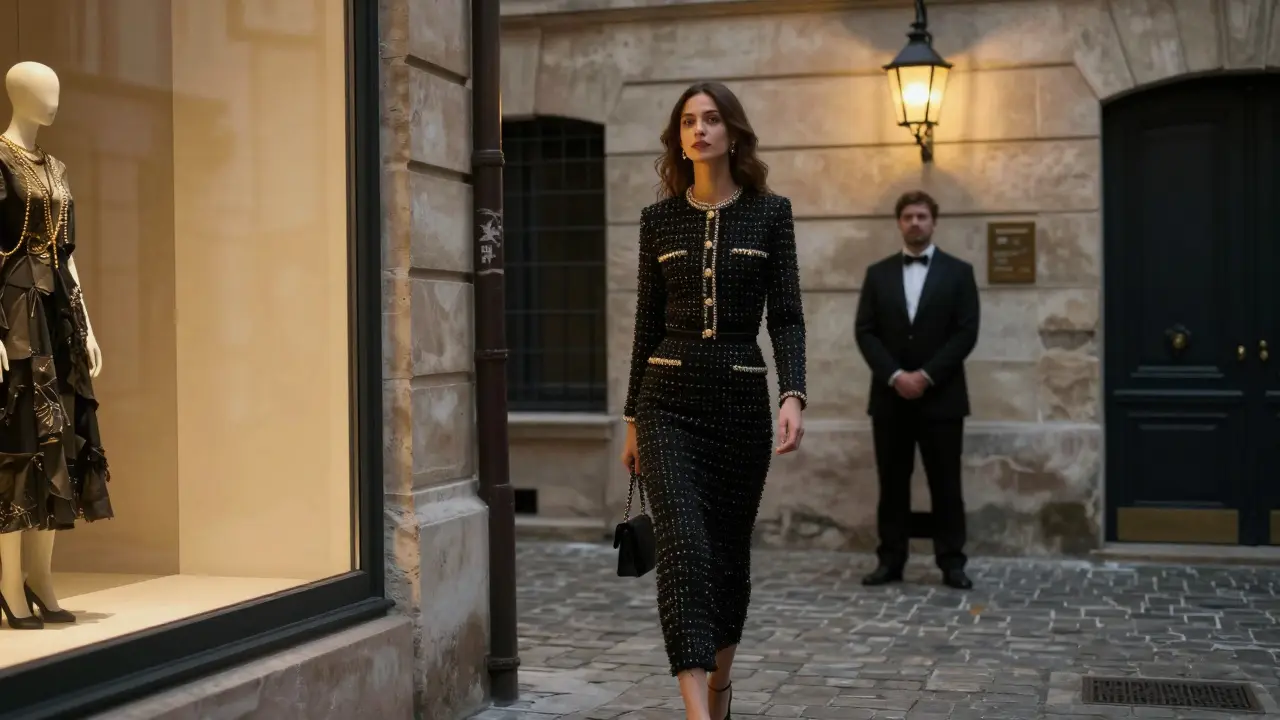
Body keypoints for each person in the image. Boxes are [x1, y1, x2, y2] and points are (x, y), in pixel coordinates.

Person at [619, 81, 807, 720]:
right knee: (686, 550)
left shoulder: (770, 214)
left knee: (728, 558)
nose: (699, 130)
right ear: (678, 138)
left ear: (732, 132)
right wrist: (631, 422)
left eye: (711, 119)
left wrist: (793, 393)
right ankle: (698, 713)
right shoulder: (657, 220)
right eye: (687, 122)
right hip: (666, 403)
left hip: (739, 407)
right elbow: (646, 325)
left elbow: (786, 316)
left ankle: (721, 693)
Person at [854, 191, 979, 591]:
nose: (915, 223)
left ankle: (952, 562)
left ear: (934, 221)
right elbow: (865, 330)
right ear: (899, 222)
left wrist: (925, 375)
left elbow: (966, 333)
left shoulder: (960, 273)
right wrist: (895, 375)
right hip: (889, 400)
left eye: (922, 216)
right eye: (908, 216)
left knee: (946, 484)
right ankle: (890, 560)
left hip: (942, 400)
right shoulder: (877, 273)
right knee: (892, 484)